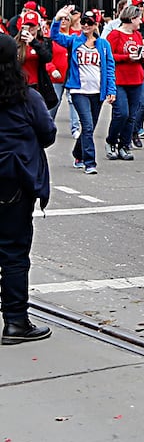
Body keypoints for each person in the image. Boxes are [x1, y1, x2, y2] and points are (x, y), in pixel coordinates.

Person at [0, 32, 55, 345]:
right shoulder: (28, 97)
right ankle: (16, 321)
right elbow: (47, 133)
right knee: (14, 253)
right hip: (13, 183)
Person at [50, 9, 114, 176]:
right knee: (86, 125)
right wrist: (57, 19)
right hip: (79, 90)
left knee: (89, 128)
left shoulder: (104, 45)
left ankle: (78, 154)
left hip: (97, 91)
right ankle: (89, 162)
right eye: (84, 22)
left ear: (96, 25)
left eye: (90, 23)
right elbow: (55, 36)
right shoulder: (74, 40)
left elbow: (109, 68)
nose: (85, 25)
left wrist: (111, 90)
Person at [104, 5, 144, 161]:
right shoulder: (115, 35)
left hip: (136, 78)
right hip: (119, 79)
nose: (141, 22)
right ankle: (111, 141)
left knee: (131, 115)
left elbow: (142, 57)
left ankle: (125, 144)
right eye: (138, 18)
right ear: (131, 18)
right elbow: (109, 56)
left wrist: (143, 55)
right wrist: (127, 57)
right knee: (121, 113)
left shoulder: (137, 35)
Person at [13, 10, 58, 116]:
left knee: (37, 116)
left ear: (38, 26)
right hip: (20, 86)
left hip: (37, 86)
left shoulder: (44, 42)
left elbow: (47, 57)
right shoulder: (15, 43)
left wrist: (33, 42)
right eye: (27, 25)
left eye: (33, 25)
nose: (30, 28)